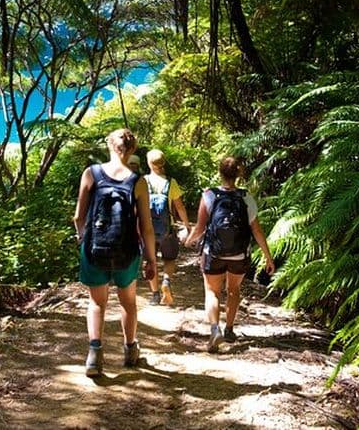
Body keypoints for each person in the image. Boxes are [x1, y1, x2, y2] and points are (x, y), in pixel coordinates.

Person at [73, 128, 157, 377]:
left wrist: (82, 239)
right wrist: (151, 259)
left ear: (108, 145)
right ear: (132, 150)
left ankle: (94, 355)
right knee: (128, 302)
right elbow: (147, 227)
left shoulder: (91, 174)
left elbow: (79, 216)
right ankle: (131, 350)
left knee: (97, 302)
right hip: (127, 252)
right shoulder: (138, 181)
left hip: (94, 248)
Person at [184, 156, 275, 352]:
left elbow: (199, 228)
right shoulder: (246, 197)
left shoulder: (209, 195)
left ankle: (214, 330)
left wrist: (188, 240)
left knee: (212, 291)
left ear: (220, 172)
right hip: (239, 255)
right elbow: (257, 231)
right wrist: (268, 257)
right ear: (238, 175)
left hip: (214, 253)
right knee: (233, 290)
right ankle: (229, 329)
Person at [145, 149, 191, 306]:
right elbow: (180, 207)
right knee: (169, 259)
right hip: (167, 228)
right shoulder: (171, 182)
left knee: (150, 261)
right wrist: (186, 226)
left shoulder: (143, 181)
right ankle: (166, 281)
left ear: (149, 163)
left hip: (148, 229)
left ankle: (154, 295)